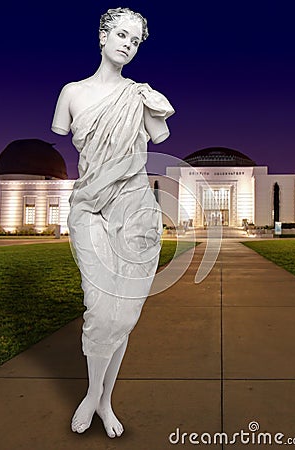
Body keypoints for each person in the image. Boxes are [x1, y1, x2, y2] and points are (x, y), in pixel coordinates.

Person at [51, 7, 174, 438]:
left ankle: (103, 400)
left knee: (123, 313)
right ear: (102, 37)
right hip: (89, 206)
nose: (127, 44)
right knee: (101, 307)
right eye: (121, 35)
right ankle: (93, 395)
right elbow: (65, 131)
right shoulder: (71, 93)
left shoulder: (140, 97)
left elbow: (158, 138)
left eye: (135, 40)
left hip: (135, 207)